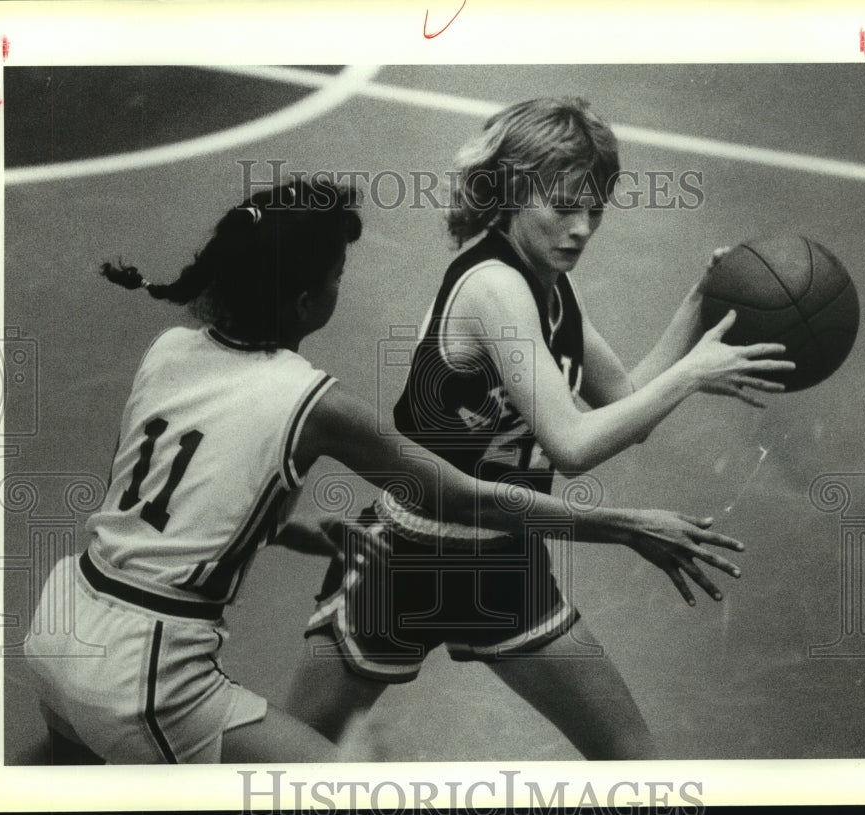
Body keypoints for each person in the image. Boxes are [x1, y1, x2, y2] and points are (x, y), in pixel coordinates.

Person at [23, 174, 748, 764]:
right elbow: (469, 497)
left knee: (50, 777)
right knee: (342, 787)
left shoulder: (169, 350)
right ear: (309, 300)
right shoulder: (314, 402)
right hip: (146, 673)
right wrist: (623, 524)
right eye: (337, 275)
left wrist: (298, 528)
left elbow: (163, 498)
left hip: (64, 621)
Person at [289, 99, 795, 760]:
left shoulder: (551, 284)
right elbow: (574, 444)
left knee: (633, 759)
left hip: (502, 558)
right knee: (284, 760)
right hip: (409, 558)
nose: (581, 230)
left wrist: (699, 302)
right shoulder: (493, 287)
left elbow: (627, 404)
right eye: (562, 207)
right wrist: (694, 373)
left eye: (594, 210)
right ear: (507, 193)